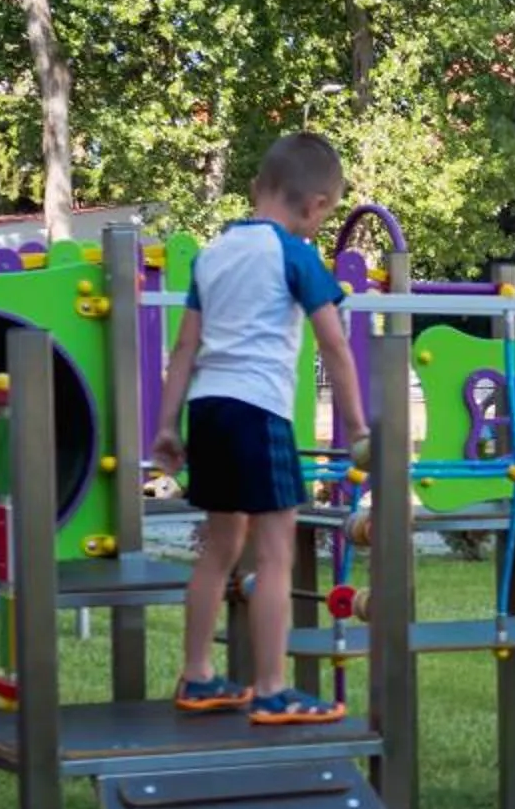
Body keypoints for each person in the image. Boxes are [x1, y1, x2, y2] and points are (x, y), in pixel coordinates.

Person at [153, 131, 368, 727]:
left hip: (208, 411)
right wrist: (356, 428)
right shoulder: (295, 255)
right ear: (317, 206)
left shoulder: (212, 254)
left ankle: (197, 675)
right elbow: (335, 346)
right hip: (257, 411)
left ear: (256, 188)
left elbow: (185, 348)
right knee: (275, 554)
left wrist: (167, 424)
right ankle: (272, 689)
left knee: (219, 548)